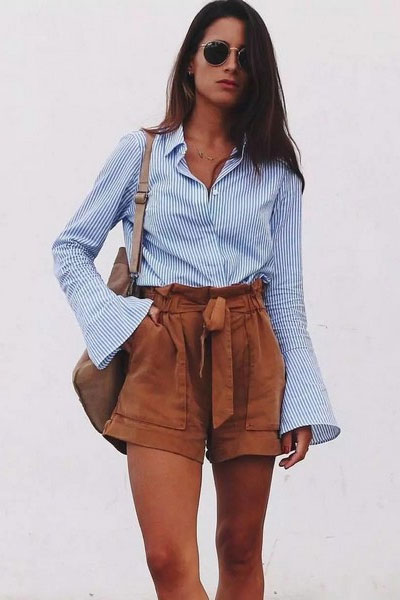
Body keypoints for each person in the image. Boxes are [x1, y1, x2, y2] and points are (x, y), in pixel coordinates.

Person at [51, 1, 341, 598]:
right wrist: (128, 324)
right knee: (166, 558)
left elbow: (286, 294)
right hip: (161, 353)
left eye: (246, 57)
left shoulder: (276, 172)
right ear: (190, 61)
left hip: (250, 349)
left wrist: (303, 401)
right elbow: (70, 248)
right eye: (217, 50)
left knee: (240, 547)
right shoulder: (141, 154)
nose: (231, 65)